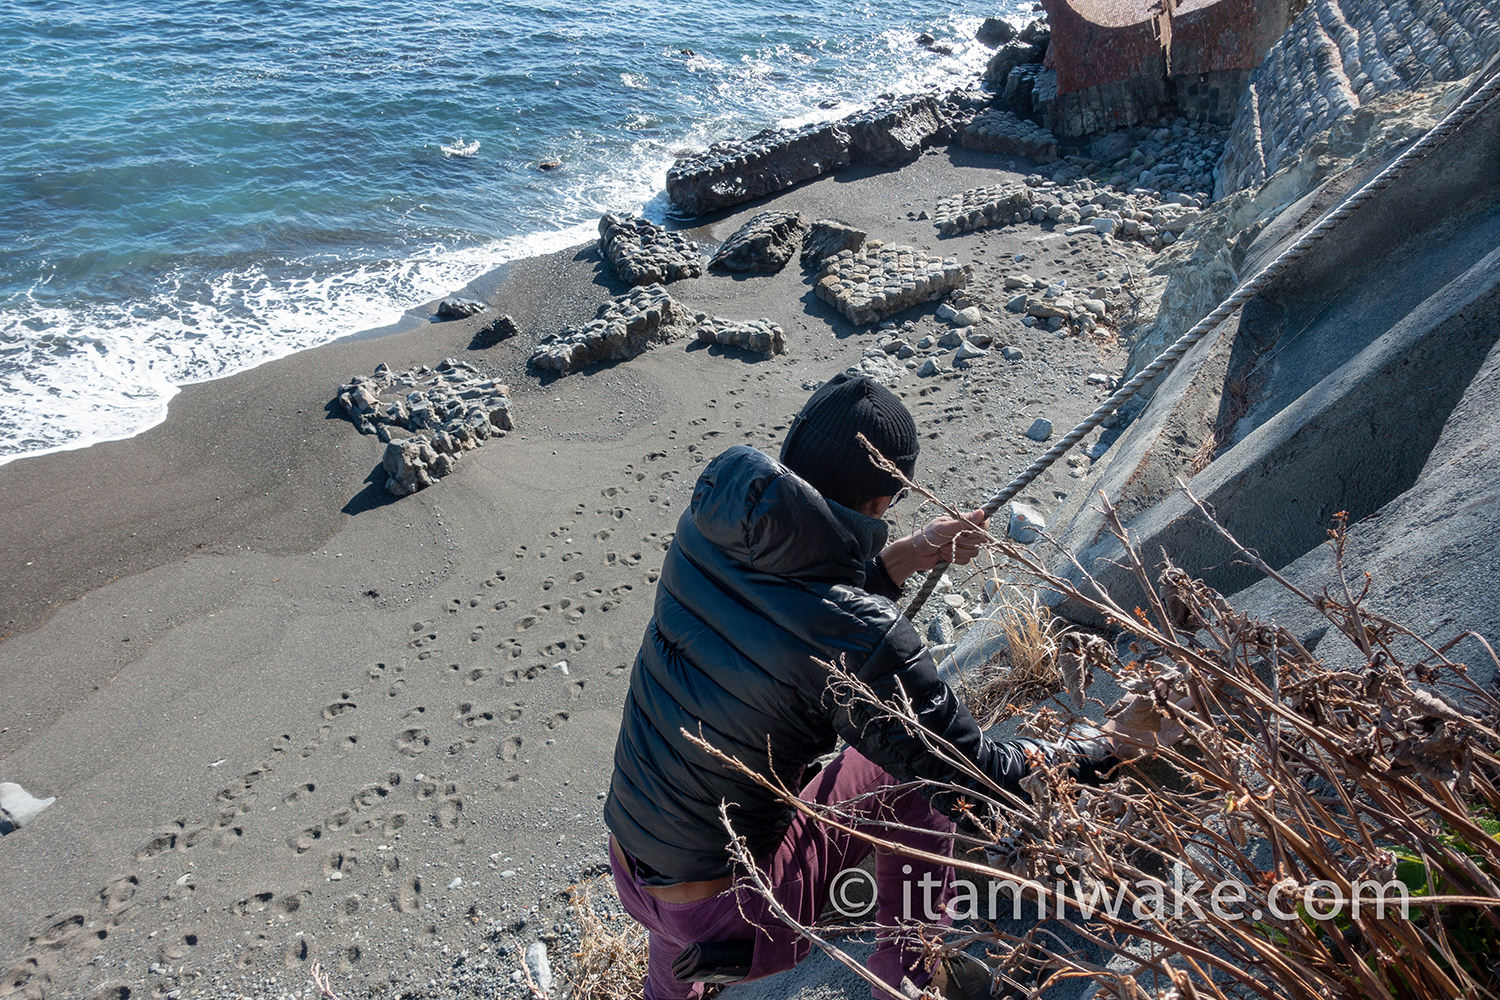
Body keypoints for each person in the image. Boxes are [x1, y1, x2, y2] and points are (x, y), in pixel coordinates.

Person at [603, 374, 1131, 1000]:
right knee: (917, 775)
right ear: (883, 500)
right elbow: (983, 780)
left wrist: (911, 553)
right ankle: (907, 971)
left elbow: (793, 620)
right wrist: (1113, 745)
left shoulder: (711, 522)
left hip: (632, 863)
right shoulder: (860, 634)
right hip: (737, 919)